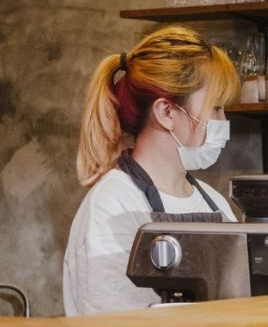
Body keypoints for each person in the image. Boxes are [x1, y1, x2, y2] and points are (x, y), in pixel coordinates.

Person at [63, 26, 241, 315]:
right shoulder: (112, 206)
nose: (223, 120)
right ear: (166, 112)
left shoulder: (215, 203)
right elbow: (114, 319)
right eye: (216, 107)